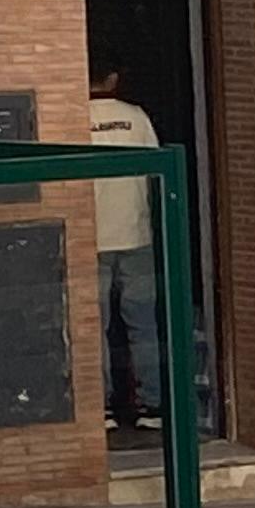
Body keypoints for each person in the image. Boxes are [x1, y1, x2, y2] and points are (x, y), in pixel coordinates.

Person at [87, 65, 164, 432]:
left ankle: (100, 408)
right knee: (143, 324)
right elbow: (157, 172)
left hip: (92, 239)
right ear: (114, 78)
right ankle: (152, 404)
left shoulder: (75, 118)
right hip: (136, 236)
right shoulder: (136, 118)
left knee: (93, 326)